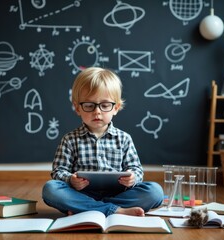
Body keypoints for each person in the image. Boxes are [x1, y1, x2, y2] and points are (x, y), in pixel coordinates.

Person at [42, 67, 163, 217]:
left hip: (118, 195)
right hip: (81, 194)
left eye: (105, 105)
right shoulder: (69, 139)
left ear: (116, 108)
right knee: (51, 189)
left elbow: (136, 169)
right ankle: (116, 210)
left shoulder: (124, 138)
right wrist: (70, 180)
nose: (97, 111)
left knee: (155, 192)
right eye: (89, 105)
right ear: (77, 108)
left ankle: (87, 209)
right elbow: (58, 171)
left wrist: (133, 178)